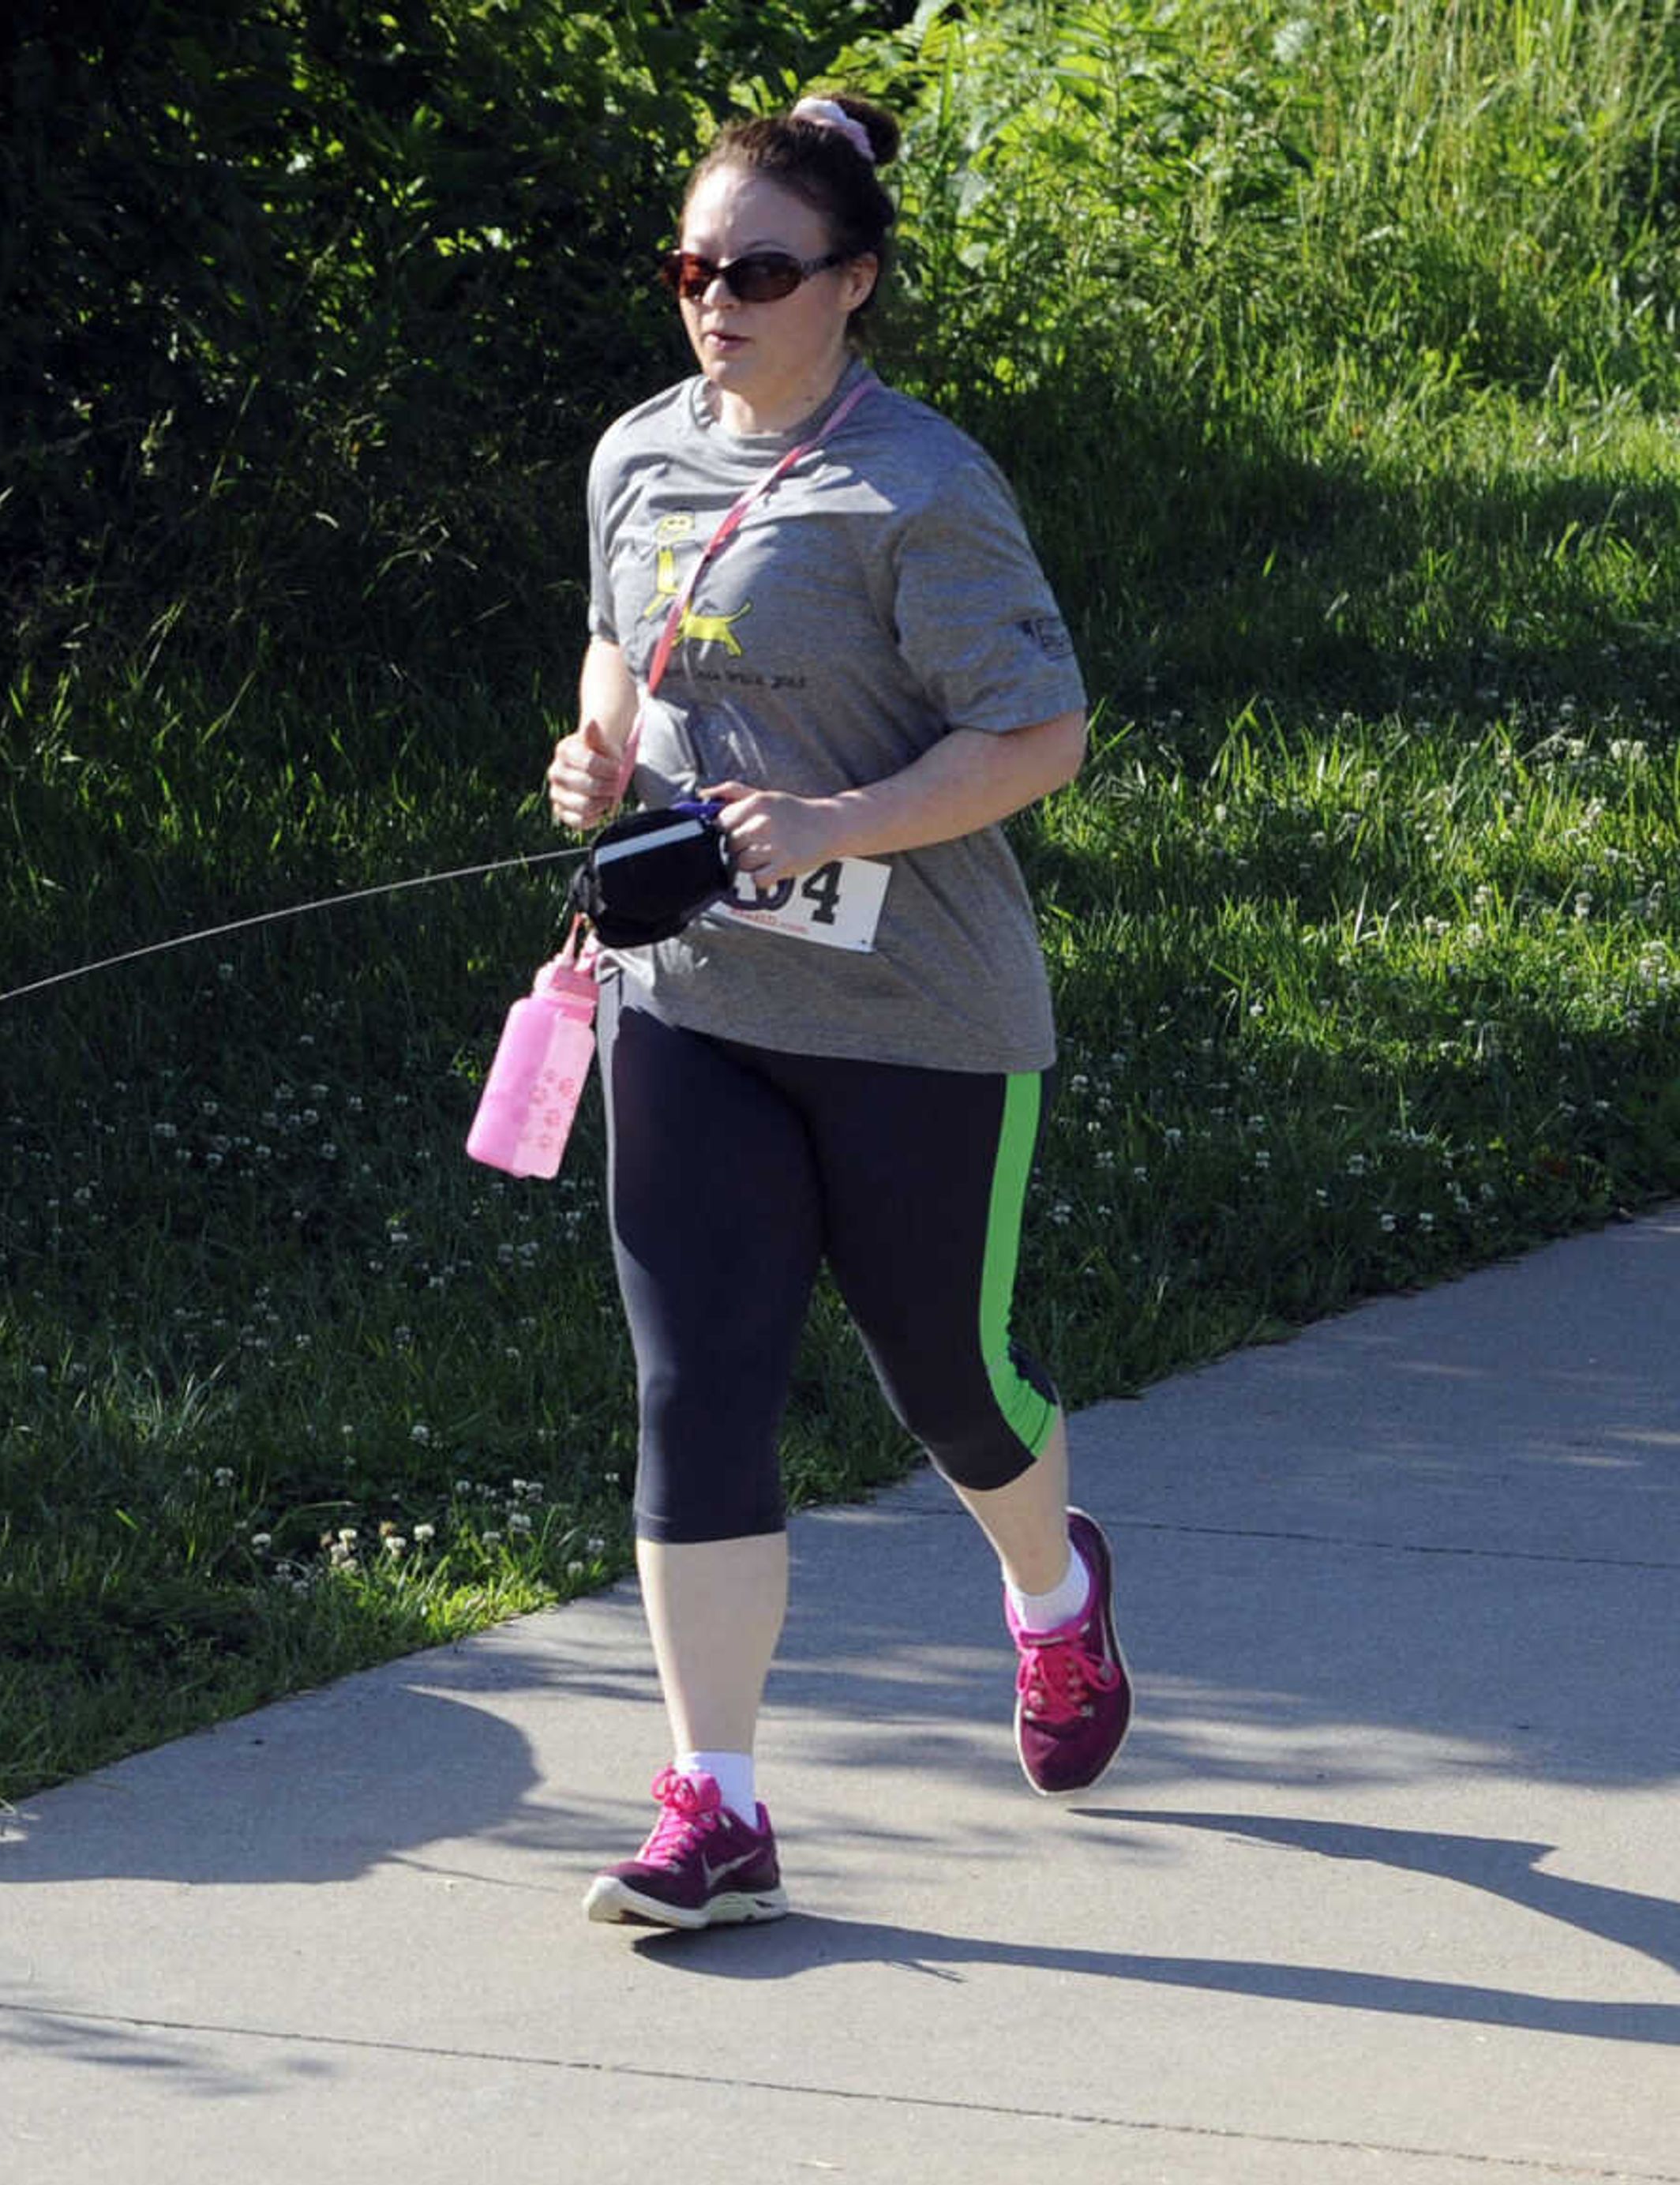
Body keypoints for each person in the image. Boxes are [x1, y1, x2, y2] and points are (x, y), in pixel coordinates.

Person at [542, 89, 1128, 1932]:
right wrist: (600, 753)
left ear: (853, 284)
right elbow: (617, 641)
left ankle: (1053, 1598)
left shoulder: (925, 489)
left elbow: (1043, 732)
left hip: (917, 1013)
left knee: (945, 1383)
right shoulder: (639, 455)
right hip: (691, 994)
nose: (716, 300)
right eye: (692, 268)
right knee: (696, 1382)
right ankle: (710, 1803)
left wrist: (843, 821)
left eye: (761, 271)